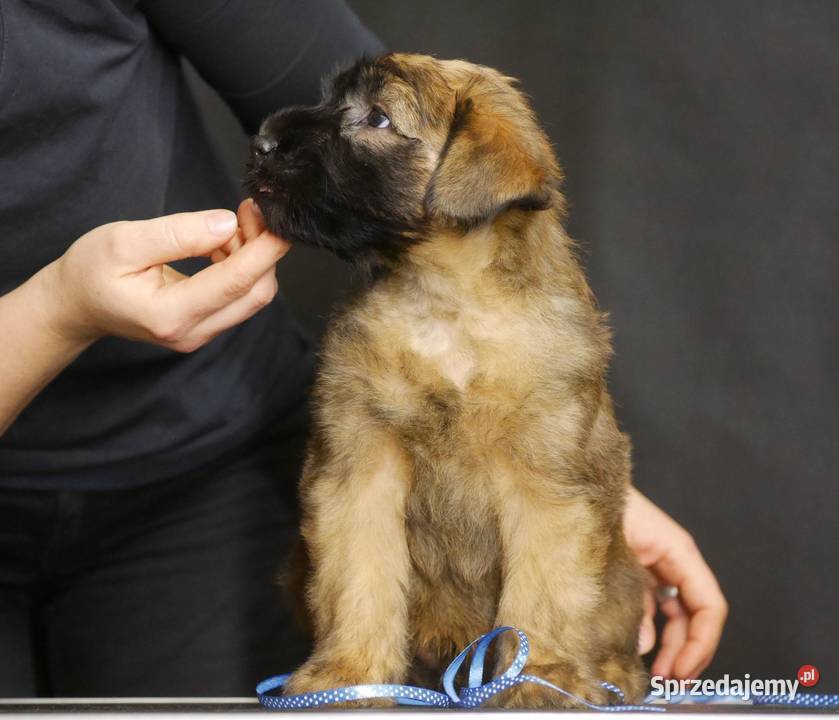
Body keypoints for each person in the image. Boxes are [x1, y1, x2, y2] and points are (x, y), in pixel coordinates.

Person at [0, 0, 726, 698]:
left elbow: (318, 58)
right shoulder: (368, 334)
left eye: (370, 119)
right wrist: (60, 311)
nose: (278, 138)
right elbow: (353, 487)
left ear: (471, 183)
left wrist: (586, 469)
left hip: (198, 470)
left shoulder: (523, 296)